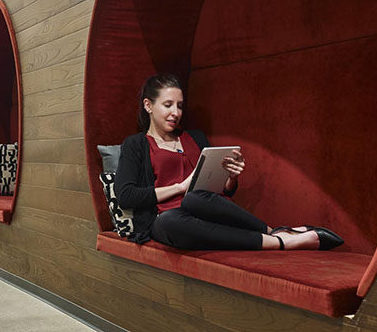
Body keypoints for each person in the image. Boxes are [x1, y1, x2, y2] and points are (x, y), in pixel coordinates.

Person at [115, 73, 344, 251]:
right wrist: (180, 187)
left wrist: (231, 178)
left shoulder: (195, 137)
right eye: (168, 105)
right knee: (170, 221)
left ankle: (274, 231)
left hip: (206, 209)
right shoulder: (136, 144)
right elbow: (126, 195)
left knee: (195, 198)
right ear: (148, 105)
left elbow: (218, 194)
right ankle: (281, 240)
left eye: (180, 106)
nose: (176, 112)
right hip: (172, 218)